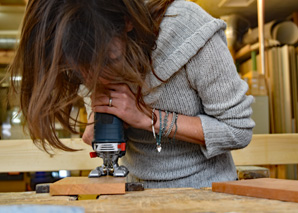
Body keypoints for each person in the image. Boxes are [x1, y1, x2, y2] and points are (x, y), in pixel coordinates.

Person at [9, 0, 255, 188]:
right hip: (134, 191)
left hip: (206, 194)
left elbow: (237, 129)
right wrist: (100, 124)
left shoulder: (189, 27)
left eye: (109, 60)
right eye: (80, 71)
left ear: (128, 22)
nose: (97, 79)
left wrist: (148, 118)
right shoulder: (75, 28)